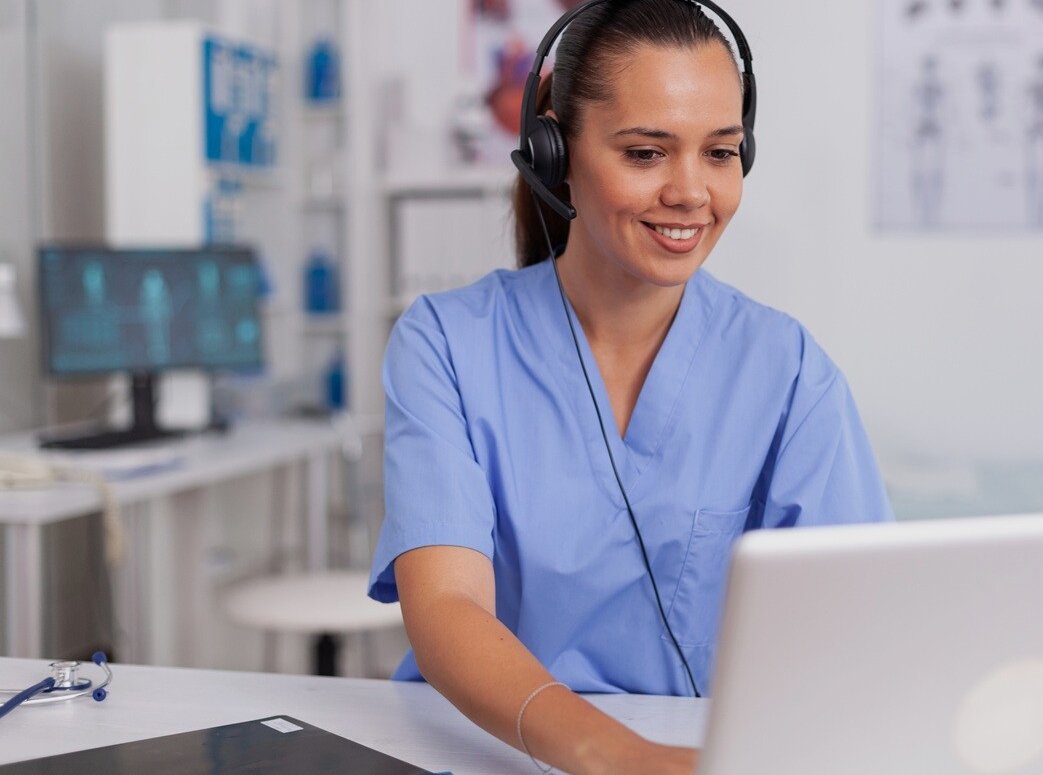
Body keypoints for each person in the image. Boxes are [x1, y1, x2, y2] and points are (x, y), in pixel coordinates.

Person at [368, 1, 893, 773]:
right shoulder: (445, 342)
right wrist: (613, 755)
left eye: (719, 152)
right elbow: (445, 606)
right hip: (489, 748)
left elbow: (853, 616)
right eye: (646, 153)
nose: (690, 191)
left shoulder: (785, 368)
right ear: (555, 152)